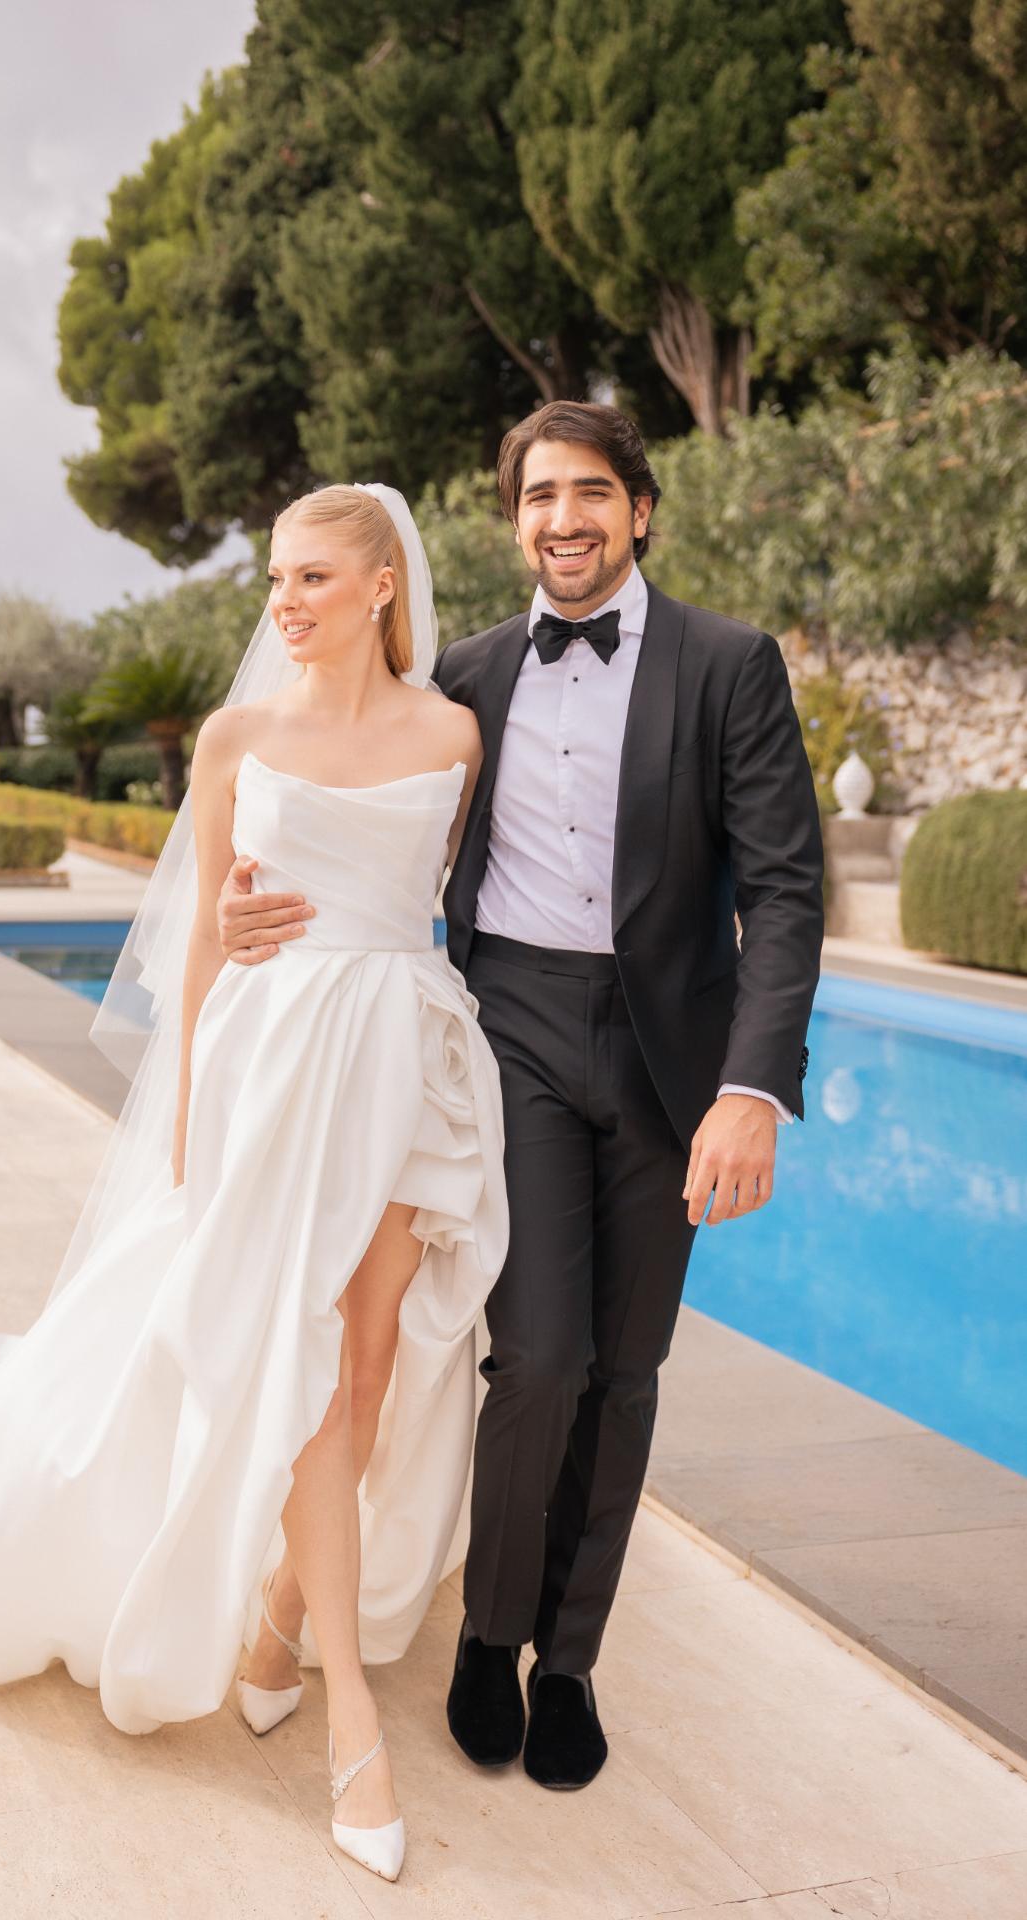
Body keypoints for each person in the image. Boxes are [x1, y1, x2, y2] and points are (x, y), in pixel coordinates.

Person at [0, 483, 509, 1886]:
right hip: (271, 1071)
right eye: (275, 578)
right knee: (302, 1364)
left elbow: (446, 904)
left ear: (385, 587)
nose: (286, 601)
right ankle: (351, 1728)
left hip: (405, 1065)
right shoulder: (236, 738)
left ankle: (273, 1625)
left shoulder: (453, 734)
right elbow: (203, 936)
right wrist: (194, 1114)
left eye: (314, 577)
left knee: (370, 1373)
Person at [217, 403, 825, 1793]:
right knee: (537, 1354)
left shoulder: (732, 665)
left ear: (640, 511)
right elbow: (360, 796)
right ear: (514, 522)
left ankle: (570, 1662)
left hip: (675, 1055)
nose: (566, 518)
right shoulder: (470, 679)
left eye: (593, 493)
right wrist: (257, 908)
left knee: (626, 1370)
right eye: (541, 496)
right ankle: (488, 1635)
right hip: (517, 1039)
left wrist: (753, 1088)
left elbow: (787, 889)